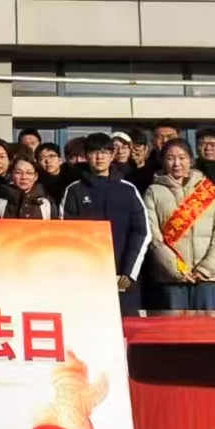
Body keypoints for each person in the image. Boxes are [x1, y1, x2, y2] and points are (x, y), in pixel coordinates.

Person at [62, 133, 149, 316]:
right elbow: (65, 235)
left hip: (122, 276)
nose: (99, 157)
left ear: (112, 155)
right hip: (86, 277)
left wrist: (129, 271)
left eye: (104, 152)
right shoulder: (74, 190)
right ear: (86, 156)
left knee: (126, 328)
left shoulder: (128, 189)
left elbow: (141, 232)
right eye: (94, 152)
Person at [141, 138, 215, 311]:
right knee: (175, 326)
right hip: (171, 277)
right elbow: (154, 236)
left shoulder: (208, 190)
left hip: (208, 277)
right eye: (170, 158)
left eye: (182, 158)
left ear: (191, 160)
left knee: (208, 326)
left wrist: (207, 268)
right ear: (163, 161)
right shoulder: (154, 191)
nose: (177, 163)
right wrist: (176, 269)